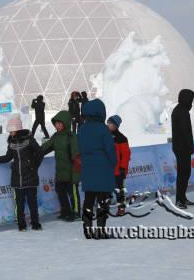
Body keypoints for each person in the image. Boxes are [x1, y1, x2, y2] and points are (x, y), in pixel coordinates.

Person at [0, 114, 43, 231]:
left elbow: (39, 153)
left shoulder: (29, 140)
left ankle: (35, 223)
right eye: (10, 131)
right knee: (19, 204)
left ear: (18, 130)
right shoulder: (11, 143)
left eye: (12, 131)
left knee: (32, 203)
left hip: (30, 177)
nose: (10, 133)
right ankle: (22, 225)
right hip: (17, 179)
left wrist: (34, 166)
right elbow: (8, 157)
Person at [78, 99, 116, 237]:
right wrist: (113, 162)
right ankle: (101, 230)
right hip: (103, 169)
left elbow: (79, 147)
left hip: (87, 169)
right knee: (102, 201)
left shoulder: (82, 129)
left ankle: (88, 229)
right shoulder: (103, 129)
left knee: (88, 200)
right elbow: (110, 150)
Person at [41, 111, 81, 221]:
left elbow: (77, 156)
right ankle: (65, 211)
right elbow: (45, 147)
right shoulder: (56, 136)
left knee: (73, 193)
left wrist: (76, 173)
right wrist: (34, 151)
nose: (57, 126)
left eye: (59, 123)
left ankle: (76, 212)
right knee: (60, 192)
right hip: (60, 171)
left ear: (66, 123)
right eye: (56, 124)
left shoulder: (71, 136)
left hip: (71, 171)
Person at [171, 89, 194, 209]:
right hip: (182, 148)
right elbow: (186, 132)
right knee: (183, 174)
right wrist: (190, 148)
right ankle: (179, 200)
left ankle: (182, 197)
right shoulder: (182, 111)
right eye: (191, 99)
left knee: (184, 174)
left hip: (180, 147)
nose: (192, 102)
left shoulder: (179, 109)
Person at [107, 115, 130, 215]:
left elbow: (126, 155)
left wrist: (122, 168)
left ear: (116, 125)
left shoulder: (121, 138)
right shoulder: (105, 136)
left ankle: (121, 207)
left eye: (110, 123)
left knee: (119, 189)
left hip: (118, 170)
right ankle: (105, 206)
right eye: (108, 123)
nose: (108, 125)